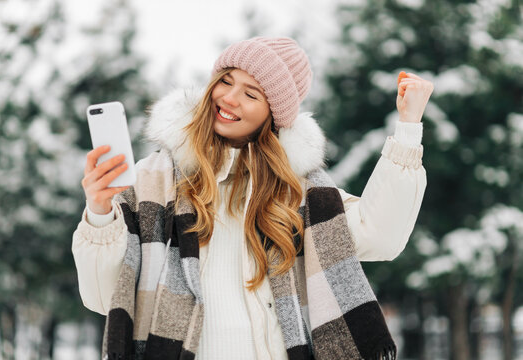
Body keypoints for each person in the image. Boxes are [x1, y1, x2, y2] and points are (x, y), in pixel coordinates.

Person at [72, 36, 431, 360]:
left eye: (251, 93)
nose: (229, 98)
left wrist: (408, 128)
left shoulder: (299, 194)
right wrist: (100, 214)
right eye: (226, 81)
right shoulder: (152, 181)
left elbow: (381, 235)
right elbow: (104, 298)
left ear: (273, 116)